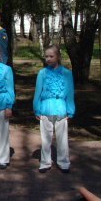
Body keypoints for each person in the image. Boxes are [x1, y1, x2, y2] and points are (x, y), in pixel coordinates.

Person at [33, 45, 75, 174]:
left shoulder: (67, 73)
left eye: (51, 56)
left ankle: (64, 162)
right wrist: (36, 109)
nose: (49, 59)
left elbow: (69, 93)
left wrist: (70, 110)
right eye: (46, 56)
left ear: (58, 57)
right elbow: (38, 92)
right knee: (45, 139)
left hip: (61, 109)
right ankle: (45, 162)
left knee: (62, 138)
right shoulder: (42, 73)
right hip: (45, 109)